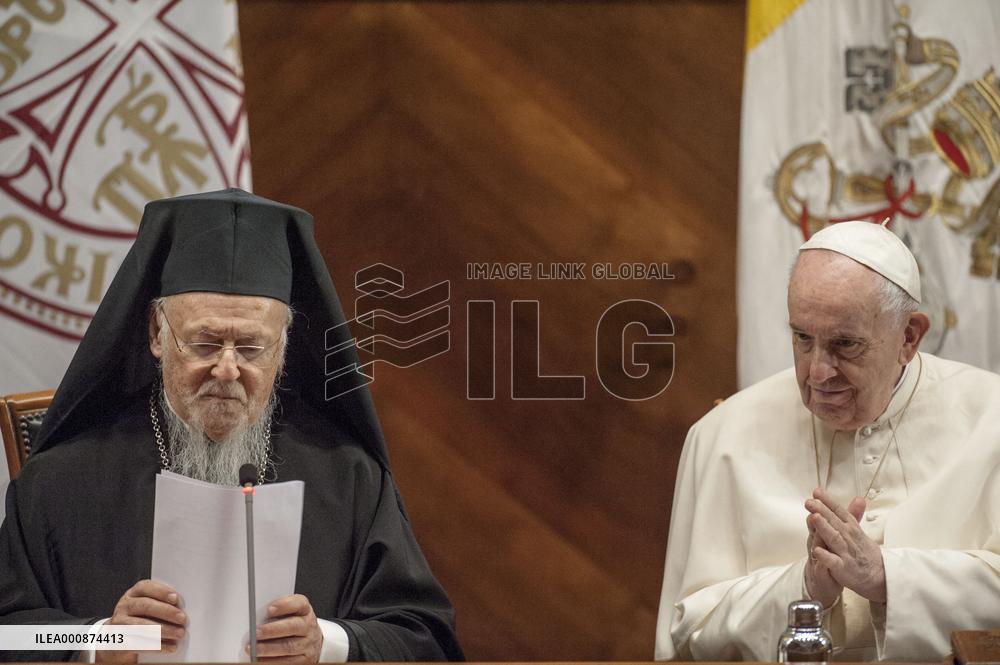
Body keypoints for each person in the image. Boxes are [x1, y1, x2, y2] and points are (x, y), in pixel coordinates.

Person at [0, 189, 464, 662]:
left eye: (251, 348)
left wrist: (328, 645)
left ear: (283, 349)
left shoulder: (347, 476)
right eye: (204, 343)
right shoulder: (65, 478)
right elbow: (7, 636)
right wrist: (100, 640)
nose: (227, 369)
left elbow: (428, 642)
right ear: (157, 335)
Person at [655, 221, 1000, 662]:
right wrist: (805, 589)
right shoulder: (722, 436)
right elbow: (687, 637)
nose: (818, 372)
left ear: (908, 336)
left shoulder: (992, 420)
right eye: (802, 338)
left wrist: (887, 578)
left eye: (845, 344)